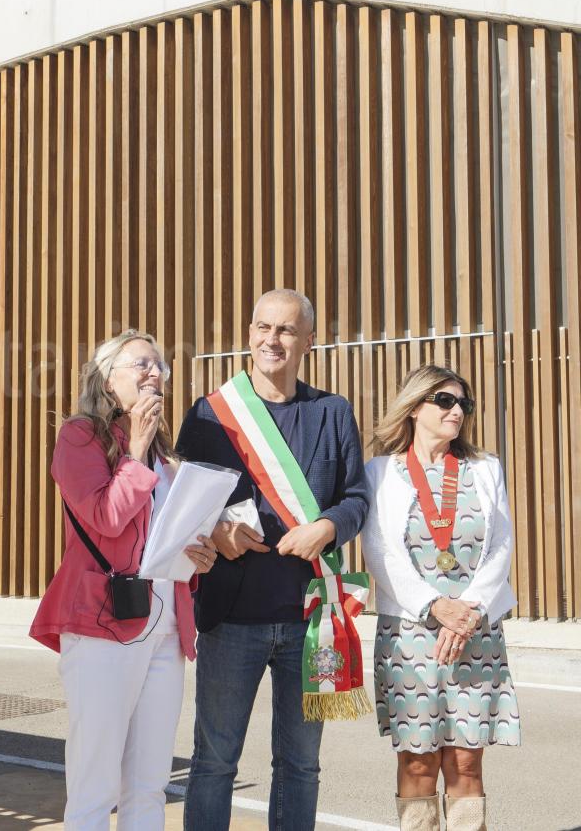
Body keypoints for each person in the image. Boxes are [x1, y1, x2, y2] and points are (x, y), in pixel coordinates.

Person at [176, 289, 369, 831]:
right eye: (263, 327)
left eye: (286, 330)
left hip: (312, 621)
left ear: (310, 339)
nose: (272, 339)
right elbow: (179, 501)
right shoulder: (211, 413)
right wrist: (216, 529)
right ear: (250, 333)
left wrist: (327, 527)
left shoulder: (332, 411)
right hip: (231, 618)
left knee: (301, 766)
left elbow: (356, 498)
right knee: (214, 763)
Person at [29, 329, 219, 831]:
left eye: (160, 366)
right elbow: (107, 517)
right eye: (141, 364)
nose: (155, 372)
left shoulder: (166, 456)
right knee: (96, 783)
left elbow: (164, 537)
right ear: (108, 380)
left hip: (164, 627)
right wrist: (134, 448)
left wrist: (198, 555)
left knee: (149, 783)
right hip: (102, 624)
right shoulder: (79, 437)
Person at [362, 365, 520, 831]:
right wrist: (435, 606)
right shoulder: (381, 472)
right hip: (410, 634)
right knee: (418, 763)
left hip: (475, 629)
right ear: (415, 408)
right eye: (446, 402)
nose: (458, 412)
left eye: (463, 404)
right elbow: (379, 549)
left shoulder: (485, 468)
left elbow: (502, 545)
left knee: (467, 763)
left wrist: (467, 612)